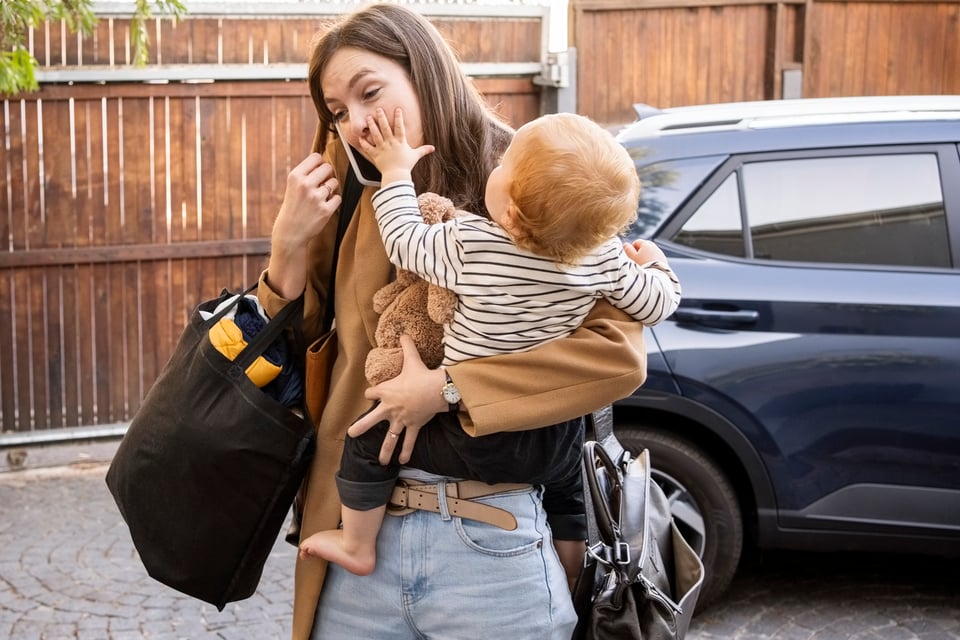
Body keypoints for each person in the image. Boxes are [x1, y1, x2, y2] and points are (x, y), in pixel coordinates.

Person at [257, 5, 651, 639]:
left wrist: (446, 388)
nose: (356, 122)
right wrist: (287, 246)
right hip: (359, 535)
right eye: (336, 111)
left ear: (425, 72)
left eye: (369, 92)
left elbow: (615, 355)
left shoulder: (533, 176)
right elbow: (297, 349)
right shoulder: (354, 190)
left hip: (492, 539)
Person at [297, 106, 681, 577]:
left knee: (368, 437)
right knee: (568, 488)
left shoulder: (472, 244)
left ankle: (357, 543)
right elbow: (657, 304)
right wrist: (655, 262)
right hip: (548, 434)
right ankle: (572, 568)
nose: (496, 164)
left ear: (511, 213)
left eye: (504, 164)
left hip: (470, 434)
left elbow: (403, 240)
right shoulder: (604, 261)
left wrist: (395, 171)